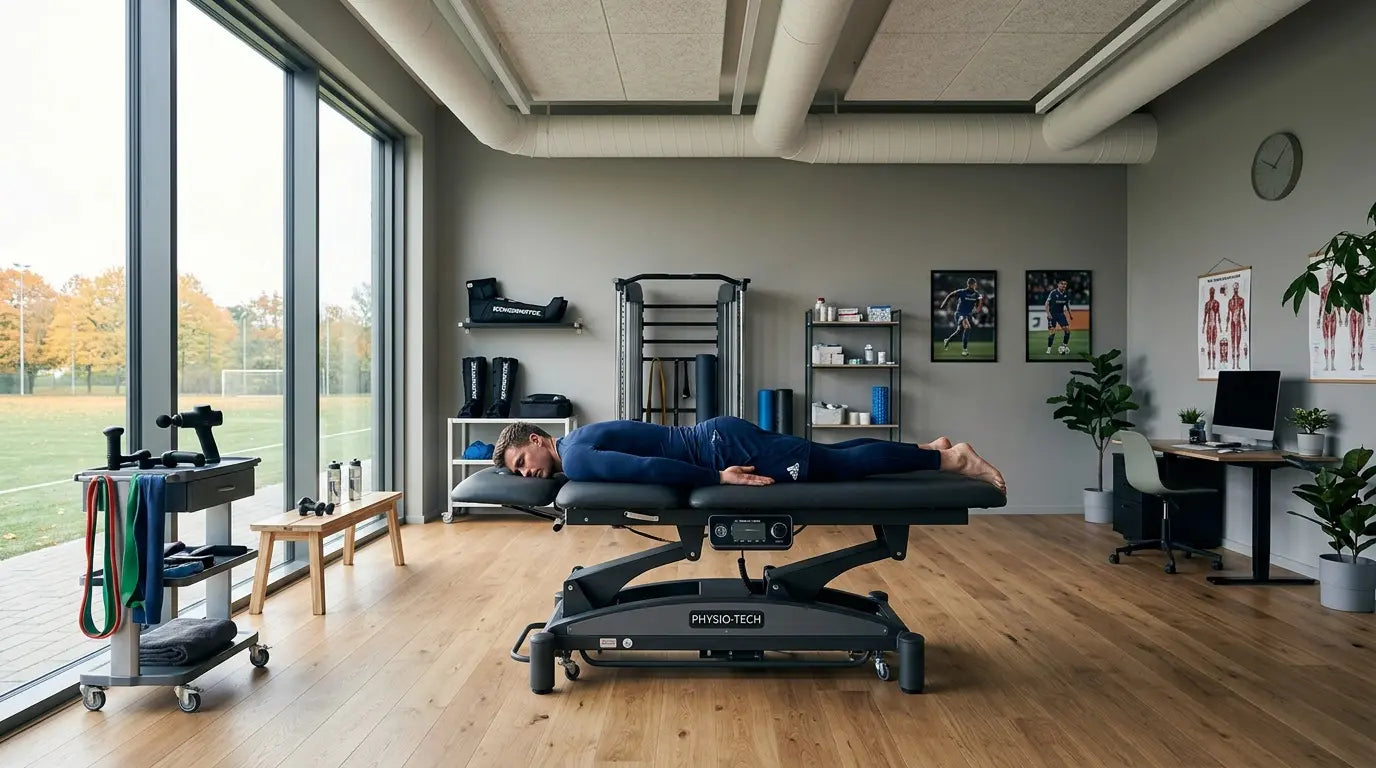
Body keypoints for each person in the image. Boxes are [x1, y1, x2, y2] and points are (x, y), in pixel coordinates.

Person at [493, 416, 1006, 492]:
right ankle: (927, 449)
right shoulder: (578, 439)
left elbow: (648, 469)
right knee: (827, 455)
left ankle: (953, 461)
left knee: (840, 467)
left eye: (520, 463)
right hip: (718, 435)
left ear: (537, 441)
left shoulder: (576, 459)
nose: (526, 473)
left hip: (723, 450)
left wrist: (718, 478)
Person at [940, 277, 984, 357]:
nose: (974, 286)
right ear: (968, 284)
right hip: (959, 314)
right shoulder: (962, 292)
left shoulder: (977, 294)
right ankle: (964, 350)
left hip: (968, 315)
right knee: (967, 327)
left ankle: (947, 340)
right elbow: (950, 295)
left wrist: (979, 305)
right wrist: (944, 303)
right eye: (972, 284)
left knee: (959, 331)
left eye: (974, 284)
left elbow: (978, 307)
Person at [1044, 279, 1073, 355]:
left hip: (1061, 314)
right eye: (1062, 284)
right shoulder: (1053, 293)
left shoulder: (1066, 294)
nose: (1063, 285)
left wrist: (1070, 314)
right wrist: (1048, 314)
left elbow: (1067, 305)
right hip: (1052, 315)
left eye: (1065, 284)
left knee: (1067, 330)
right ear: (1058, 285)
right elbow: (1046, 304)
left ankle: (1064, 346)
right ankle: (1049, 349)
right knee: (1052, 332)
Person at [1225, 281, 1248, 370]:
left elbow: (1243, 313)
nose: (1235, 289)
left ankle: (1237, 364)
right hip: (1232, 324)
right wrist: (1226, 326)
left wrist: (1245, 324)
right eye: (1234, 288)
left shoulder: (1241, 300)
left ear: (1237, 289)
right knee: (1232, 343)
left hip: (1238, 323)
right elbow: (1228, 315)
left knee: (1237, 344)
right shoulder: (1230, 301)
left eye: (1236, 288)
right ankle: (1233, 365)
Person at [1201, 286, 1221, 371]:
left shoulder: (1216, 303)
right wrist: (1203, 327)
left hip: (1214, 325)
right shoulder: (1207, 304)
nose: (1212, 293)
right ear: (1209, 293)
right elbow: (1205, 316)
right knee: (1209, 345)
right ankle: (1209, 365)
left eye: (1213, 292)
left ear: (1214, 293)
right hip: (1209, 326)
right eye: (1211, 292)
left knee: (1214, 345)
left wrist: (1220, 327)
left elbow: (1218, 315)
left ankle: (1214, 365)